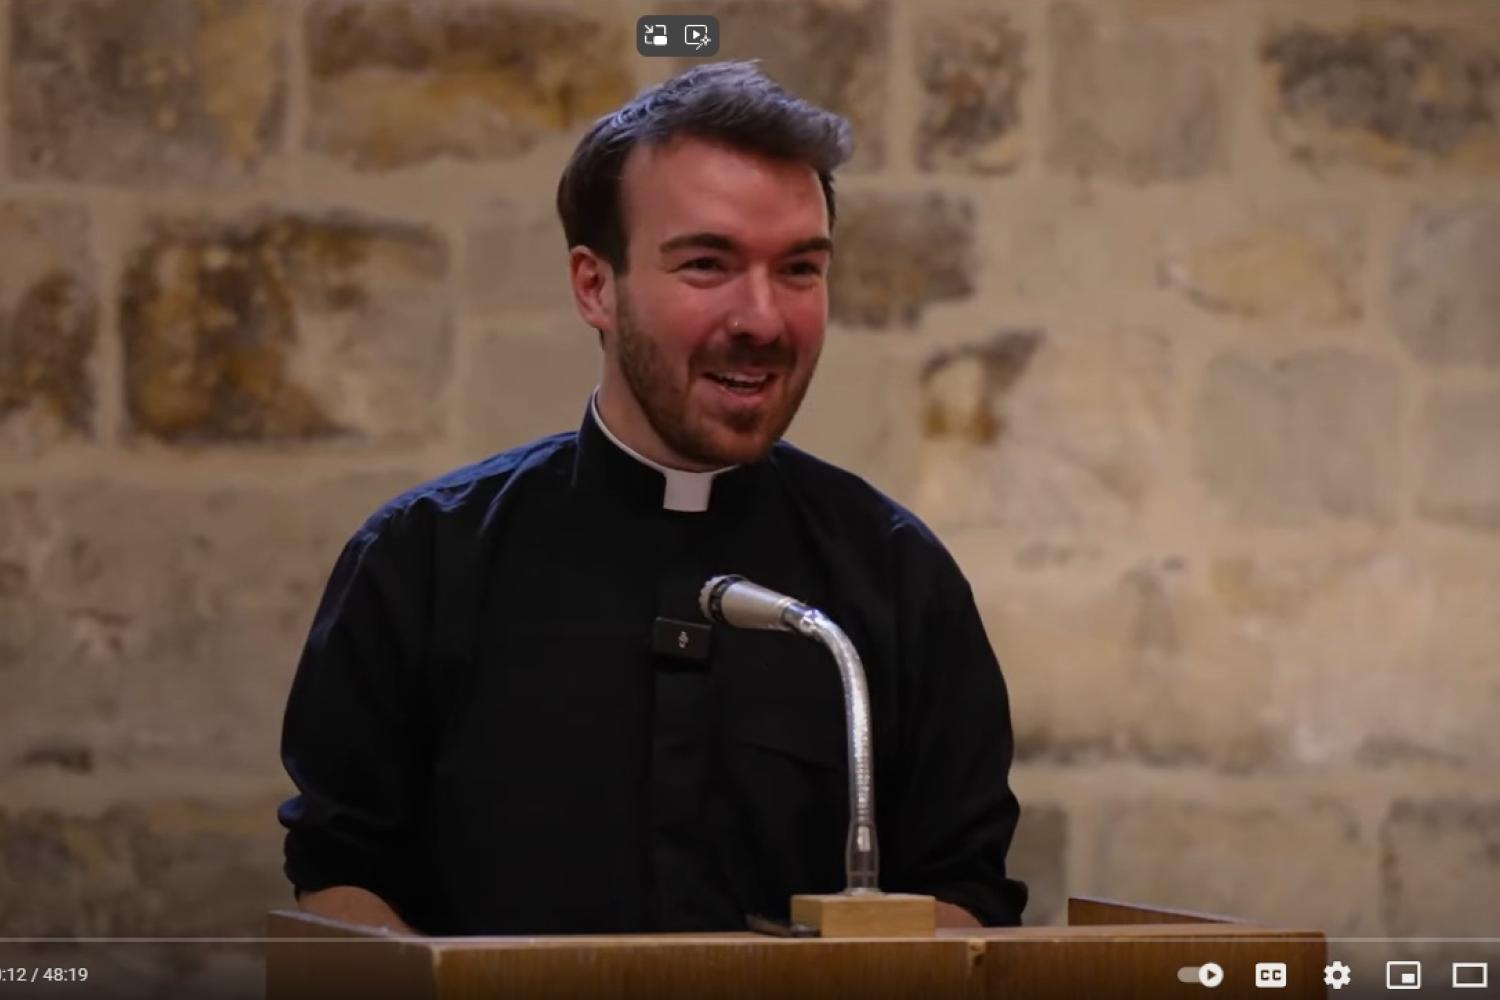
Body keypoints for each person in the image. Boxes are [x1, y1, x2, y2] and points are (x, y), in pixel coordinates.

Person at [278, 60, 1028, 936]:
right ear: (596, 286)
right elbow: (340, 875)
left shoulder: (897, 577)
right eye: (707, 264)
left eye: (798, 269)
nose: (762, 319)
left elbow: (965, 896)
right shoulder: (423, 559)